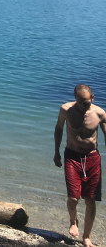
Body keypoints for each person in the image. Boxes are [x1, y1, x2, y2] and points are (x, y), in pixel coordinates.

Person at [54, 84, 106, 247]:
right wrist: (56, 152)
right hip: (72, 156)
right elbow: (59, 128)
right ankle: (73, 221)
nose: (84, 105)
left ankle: (86, 237)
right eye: (81, 101)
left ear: (93, 98)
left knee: (90, 199)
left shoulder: (99, 113)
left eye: (87, 101)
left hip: (92, 158)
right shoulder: (66, 110)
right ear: (75, 98)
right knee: (73, 197)